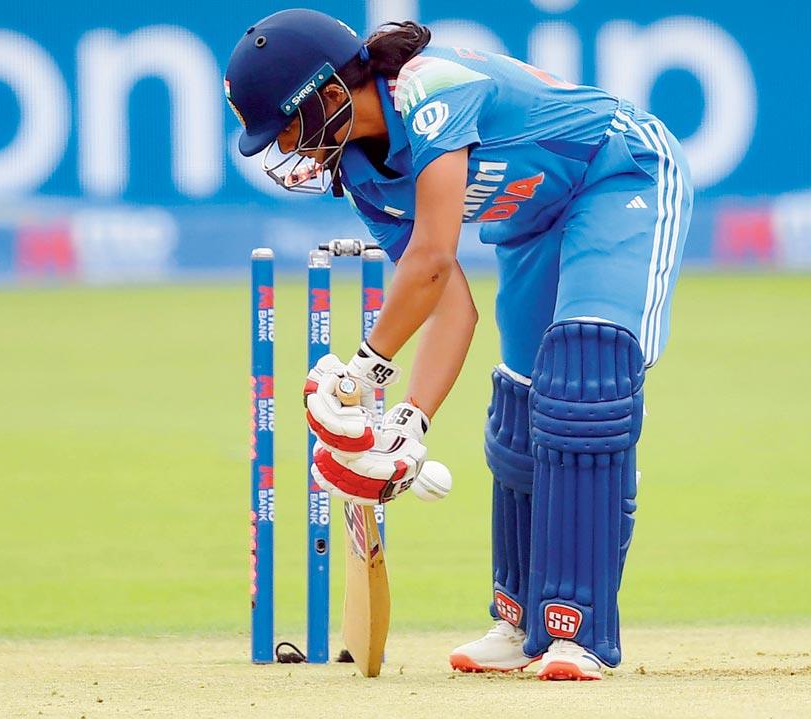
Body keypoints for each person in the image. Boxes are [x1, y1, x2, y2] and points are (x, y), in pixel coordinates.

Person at [225, 8, 691, 681]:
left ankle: (578, 631)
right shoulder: (363, 176)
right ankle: (522, 622)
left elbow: (434, 260)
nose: (292, 150)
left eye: (290, 127)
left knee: (585, 382)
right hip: (535, 223)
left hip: (619, 173)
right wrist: (409, 423)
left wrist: (359, 375)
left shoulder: (430, 90)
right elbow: (450, 311)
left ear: (328, 95)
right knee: (522, 409)